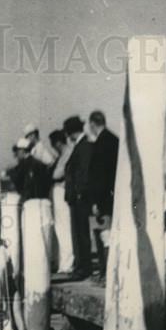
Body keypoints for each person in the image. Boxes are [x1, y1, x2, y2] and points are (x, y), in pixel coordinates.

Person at [85, 110, 119, 280]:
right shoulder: (115, 140)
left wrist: (95, 202)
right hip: (113, 196)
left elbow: (99, 176)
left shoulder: (100, 144)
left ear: (92, 124)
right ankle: (109, 273)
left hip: (102, 199)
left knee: (104, 236)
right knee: (110, 235)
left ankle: (106, 275)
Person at [63, 114, 94, 280]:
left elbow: (83, 172)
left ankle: (83, 267)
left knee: (80, 234)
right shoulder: (82, 145)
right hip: (77, 196)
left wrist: (79, 193)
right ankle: (82, 266)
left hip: (79, 198)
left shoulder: (83, 146)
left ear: (71, 133)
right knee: (80, 233)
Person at [49, 128, 75, 277]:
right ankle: (64, 262)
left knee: (64, 228)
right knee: (62, 228)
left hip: (61, 191)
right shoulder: (64, 154)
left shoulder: (67, 153)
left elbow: (57, 174)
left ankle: (67, 263)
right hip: (59, 192)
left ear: (58, 143)